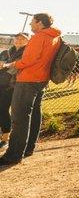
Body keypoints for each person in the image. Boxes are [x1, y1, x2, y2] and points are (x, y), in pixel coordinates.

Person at [0, 13, 61, 165]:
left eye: (32, 22)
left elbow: (27, 60)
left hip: (28, 80)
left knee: (19, 118)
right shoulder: (55, 37)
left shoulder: (39, 37)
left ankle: (13, 155)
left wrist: (8, 65)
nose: (30, 25)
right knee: (34, 114)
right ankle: (28, 148)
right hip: (42, 80)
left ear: (39, 23)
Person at [0, 33, 29, 149]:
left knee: (3, 109)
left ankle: (5, 138)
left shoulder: (26, 53)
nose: (19, 40)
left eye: (22, 38)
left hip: (12, 86)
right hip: (1, 83)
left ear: (27, 41)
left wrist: (4, 66)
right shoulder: (6, 52)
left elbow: (16, 67)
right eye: (17, 38)